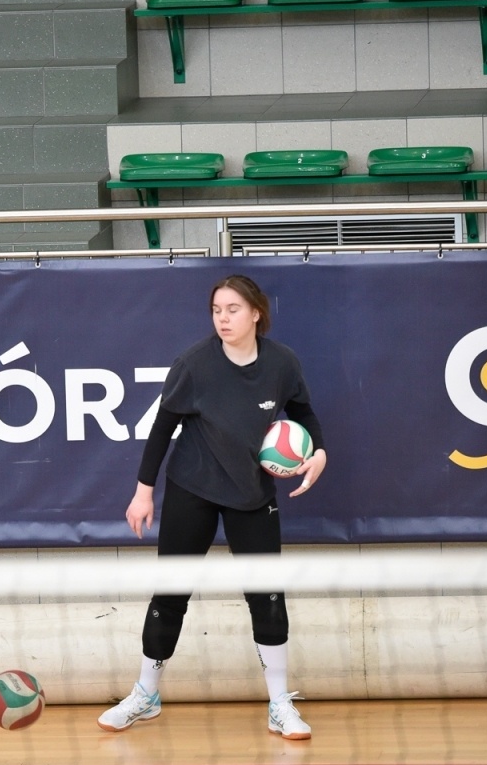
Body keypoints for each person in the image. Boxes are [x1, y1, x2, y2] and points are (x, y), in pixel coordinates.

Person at [99, 274, 327, 739]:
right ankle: (146, 694)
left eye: (233, 310)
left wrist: (318, 450)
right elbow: (162, 427)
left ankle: (280, 703)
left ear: (256, 313)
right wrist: (143, 491)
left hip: (252, 493)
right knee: (170, 593)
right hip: (193, 487)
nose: (223, 319)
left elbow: (302, 412)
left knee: (266, 594)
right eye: (217, 311)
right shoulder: (194, 364)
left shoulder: (282, 363)